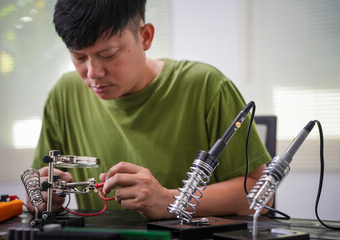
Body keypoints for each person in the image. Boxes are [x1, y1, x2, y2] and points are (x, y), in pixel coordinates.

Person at [28, 0, 272, 220]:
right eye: (79, 57)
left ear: (145, 37)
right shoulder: (64, 94)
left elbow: (262, 195)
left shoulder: (207, 87)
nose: (93, 73)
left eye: (108, 54)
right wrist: (40, 196)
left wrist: (169, 200)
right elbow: (38, 186)